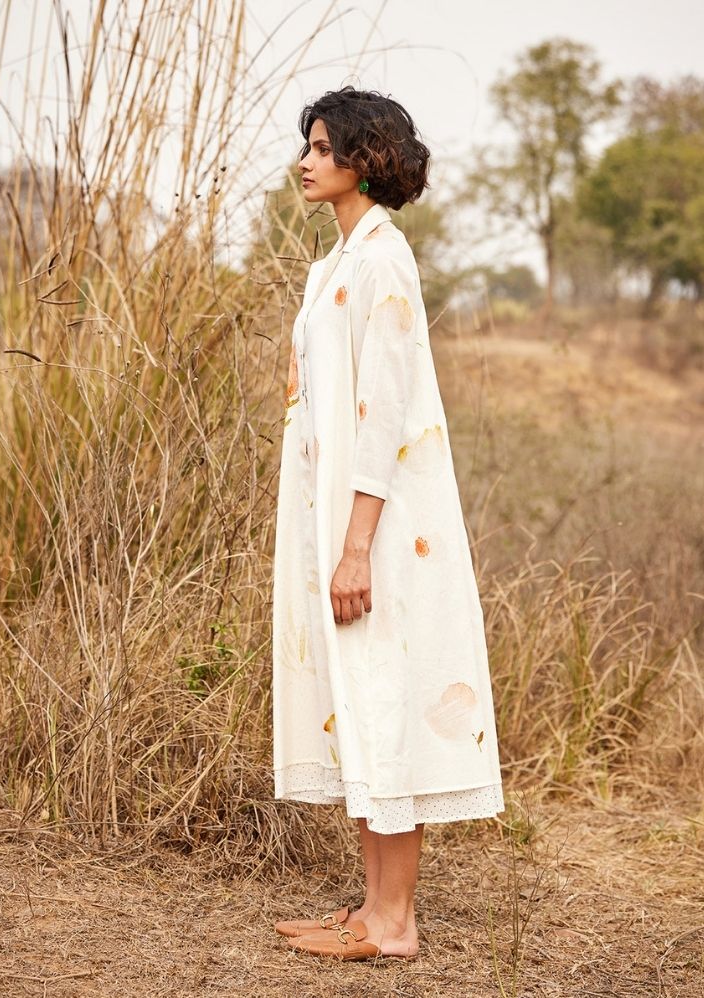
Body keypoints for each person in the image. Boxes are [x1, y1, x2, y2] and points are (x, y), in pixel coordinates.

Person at [271, 85, 504, 962]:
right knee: (358, 705)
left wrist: (356, 544)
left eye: (325, 148)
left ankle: (396, 924)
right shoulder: (333, 264)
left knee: (385, 700)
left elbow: (385, 411)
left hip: (380, 522)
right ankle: (371, 908)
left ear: (365, 159)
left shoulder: (382, 259)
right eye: (309, 146)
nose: (306, 161)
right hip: (336, 513)